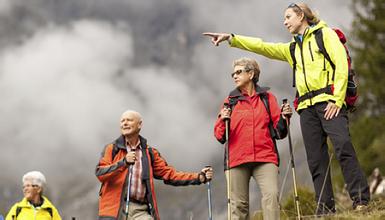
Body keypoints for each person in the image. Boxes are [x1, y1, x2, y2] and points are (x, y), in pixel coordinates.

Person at [203, 2, 370, 215]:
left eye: (288, 17)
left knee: (343, 147)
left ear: (301, 16)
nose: (285, 22)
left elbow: (341, 67)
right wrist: (231, 38)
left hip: (330, 102)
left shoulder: (325, 35)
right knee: (316, 160)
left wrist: (337, 100)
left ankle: (360, 199)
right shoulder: (292, 48)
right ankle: (326, 210)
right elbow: (263, 46)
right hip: (307, 109)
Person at [95, 110, 213, 220]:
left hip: (139, 210)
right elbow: (100, 173)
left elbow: (169, 174)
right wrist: (123, 163)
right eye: (122, 121)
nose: (125, 123)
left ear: (139, 125)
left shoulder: (149, 153)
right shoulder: (112, 149)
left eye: (129, 120)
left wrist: (199, 177)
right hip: (114, 209)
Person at [214, 57, 292, 220]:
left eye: (238, 72)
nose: (234, 76)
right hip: (237, 160)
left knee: (271, 197)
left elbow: (279, 133)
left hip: (265, 157)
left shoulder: (267, 98)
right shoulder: (230, 102)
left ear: (251, 74)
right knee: (239, 206)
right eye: (233, 74)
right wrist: (223, 119)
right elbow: (220, 136)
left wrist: (285, 118)